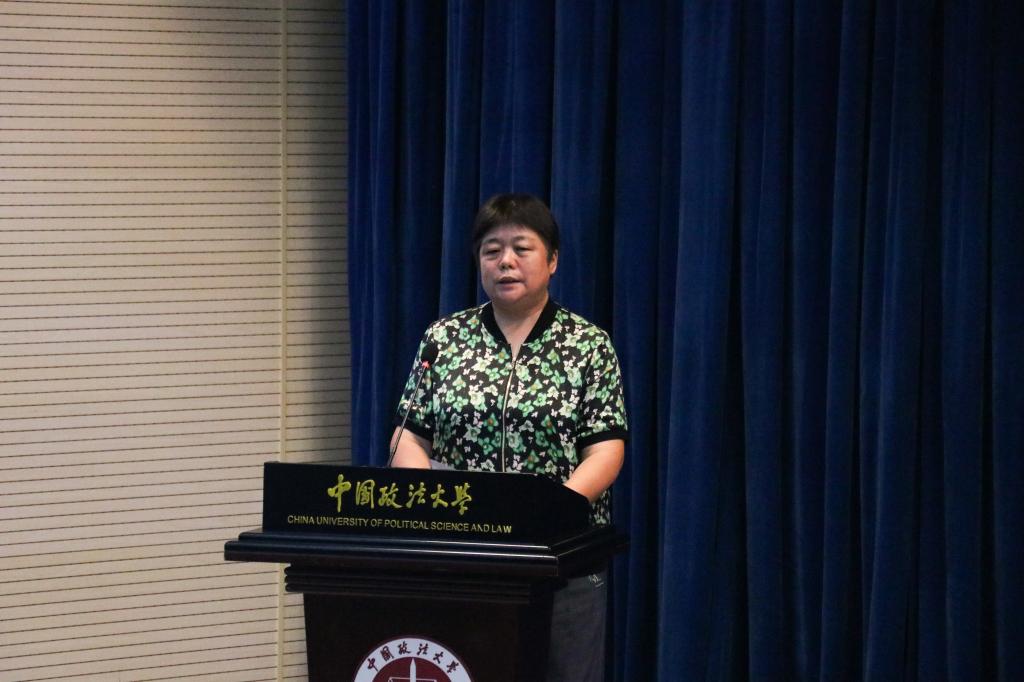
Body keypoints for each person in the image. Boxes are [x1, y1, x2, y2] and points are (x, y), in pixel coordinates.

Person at [390, 193, 628, 682]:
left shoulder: (587, 344)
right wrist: (429, 504)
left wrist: (555, 510)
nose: (506, 262)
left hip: (561, 555)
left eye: (522, 248)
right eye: (492, 250)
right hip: (462, 555)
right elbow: (409, 437)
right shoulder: (444, 339)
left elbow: (606, 448)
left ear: (552, 260)